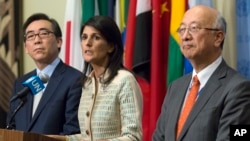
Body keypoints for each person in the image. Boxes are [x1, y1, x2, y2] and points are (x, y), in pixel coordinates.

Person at [153, 5, 250, 141]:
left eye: (194, 28)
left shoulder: (239, 89)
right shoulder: (175, 87)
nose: (185, 36)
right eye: (182, 29)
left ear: (218, 37)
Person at [49, 15, 143, 141]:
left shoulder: (124, 80)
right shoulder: (87, 84)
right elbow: (87, 137)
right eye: (84, 37)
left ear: (111, 46)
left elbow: (133, 137)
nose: (87, 43)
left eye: (96, 38)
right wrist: (59, 139)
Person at [6, 13, 82, 135]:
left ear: (58, 42)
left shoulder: (75, 80)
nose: (37, 40)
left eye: (44, 33)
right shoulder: (20, 84)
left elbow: (72, 132)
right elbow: (12, 126)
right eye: (30, 36)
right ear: (26, 47)